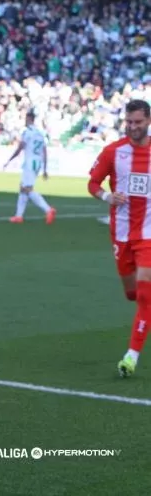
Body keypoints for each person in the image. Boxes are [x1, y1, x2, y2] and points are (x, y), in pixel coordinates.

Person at [88, 98, 151, 378]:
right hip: (122, 233)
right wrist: (107, 196)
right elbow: (92, 183)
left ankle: (131, 356)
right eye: (129, 122)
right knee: (132, 294)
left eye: (138, 122)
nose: (133, 127)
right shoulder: (113, 152)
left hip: (148, 233)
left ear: (148, 121)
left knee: (145, 295)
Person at [3, 111, 56, 224]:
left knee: (27, 188)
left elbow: (20, 147)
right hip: (37, 163)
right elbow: (44, 151)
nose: (25, 121)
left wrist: (9, 160)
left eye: (26, 119)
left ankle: (48, 209)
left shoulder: (27, 132)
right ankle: (18, 216)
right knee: (23, 187)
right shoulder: (40, 133)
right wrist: (45, 168)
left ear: (29, 119)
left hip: (30, 163)